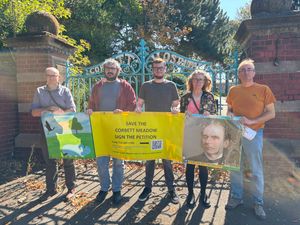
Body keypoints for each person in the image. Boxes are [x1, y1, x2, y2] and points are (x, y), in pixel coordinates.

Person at [225, 58, 276, 220]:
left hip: (254, 134)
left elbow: (271, 113)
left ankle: (258, 202)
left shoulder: (263, 89)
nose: (246, 72)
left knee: (255, 169)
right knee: (235, 166)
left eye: (249, 69)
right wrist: (232, 116)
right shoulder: (233, 90)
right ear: (239, 74)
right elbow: (229, 111)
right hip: (235, 133)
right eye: (243, 70)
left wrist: (252, 121)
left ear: (254, 72)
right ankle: (237, 197)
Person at [87, 58, 136, 205]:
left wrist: (123, 111)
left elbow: (133, 104)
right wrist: (89, 109)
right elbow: (91, 103)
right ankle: (103, 188)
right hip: (101, 128)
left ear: (118, 71)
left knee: (118, 162)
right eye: (107, 68)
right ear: (104, 70)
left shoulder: (125, 86)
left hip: (119, 128)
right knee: (101, 161)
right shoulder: (98, 86)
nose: (110, 70)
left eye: (113, 68)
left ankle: (116, 189)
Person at [136, 57, 180, 204]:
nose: (158, 70)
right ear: (152, 70)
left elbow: (176, 104)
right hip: (151, 129)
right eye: (156, 68)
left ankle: (171, 190)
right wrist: (137, 108)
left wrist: (176, 109)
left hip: (166, 128)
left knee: (167, 161)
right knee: (150, 160)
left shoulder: (171, 85)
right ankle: (147, 188)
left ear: (165, 69)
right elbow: (140, 103)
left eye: (161, 68)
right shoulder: (145, 86)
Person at [31, 67, 76, 201]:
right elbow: (34, 112)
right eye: (49, 75)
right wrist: (48, 109)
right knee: (50, 160)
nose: (51, 78)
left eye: (54, 75)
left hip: (64, 128)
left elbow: (73, 110)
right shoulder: (39, 91)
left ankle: (71, 188)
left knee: (68, 159)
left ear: (59, 77)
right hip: (47, 129)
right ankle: (51, 189)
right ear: (45, 77)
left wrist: (59, 111)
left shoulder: (65, 91)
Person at [180, 69, 216, 208]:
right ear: (191, 81)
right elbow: (180, 118)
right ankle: (190, 193)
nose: (198, 82)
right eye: (195, 79)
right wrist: (183, 114)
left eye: (201, 79)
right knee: (189, 166)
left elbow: (215, 118)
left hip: (204, 136)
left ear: (205, 82)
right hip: (189, 136)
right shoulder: (185, 98)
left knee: (203, 167)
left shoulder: (209, 97)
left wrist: (209, 114)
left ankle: (203, 193)